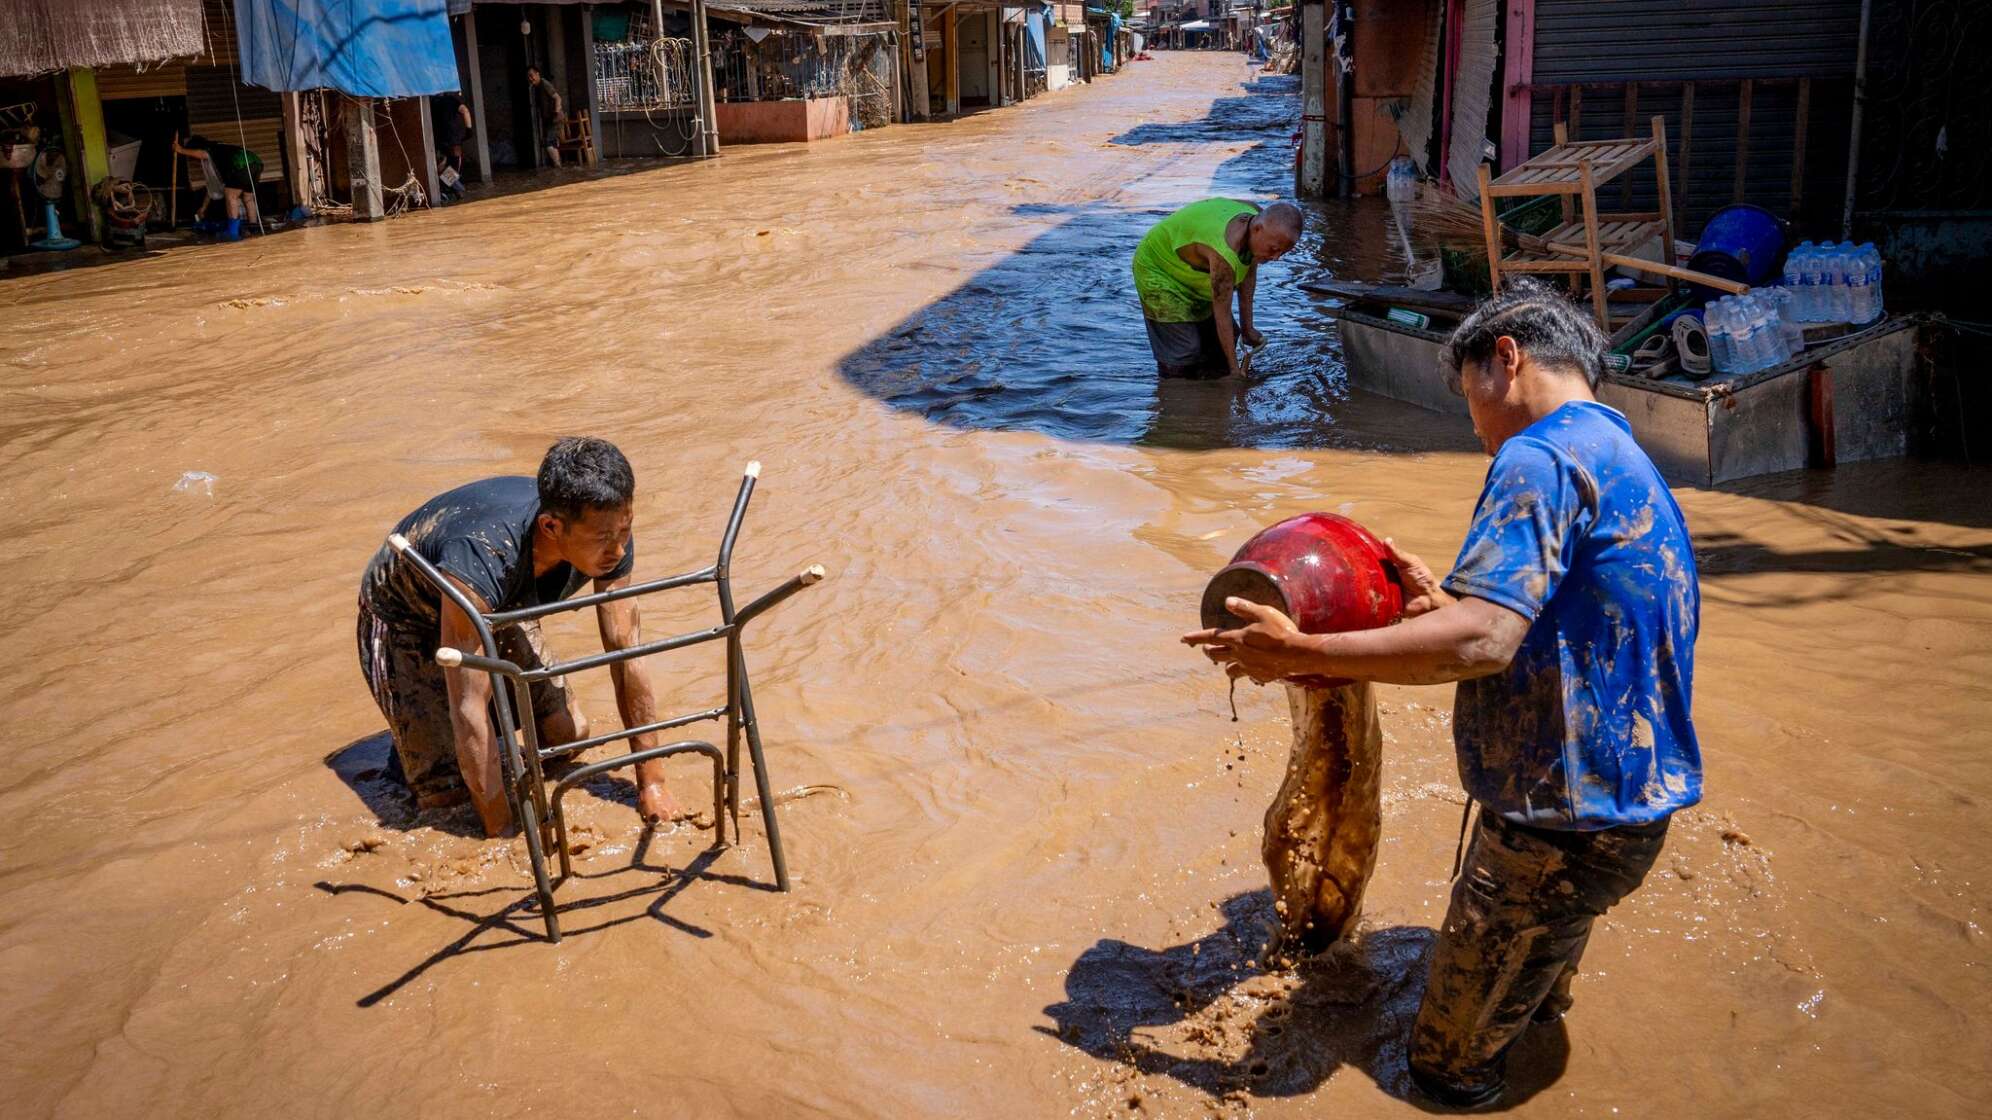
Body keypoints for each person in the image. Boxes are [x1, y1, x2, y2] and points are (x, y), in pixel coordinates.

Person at [1183, 281, 1702, 1109]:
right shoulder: (1619, 454)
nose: (1472, 424)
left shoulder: (1536, 456)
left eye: (1468, 397)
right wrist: (1445, 605)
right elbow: (1547, 620)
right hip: (1625, 806)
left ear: (1508, 358)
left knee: (1442, 1072)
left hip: (1556, 830)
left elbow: (1481, 643)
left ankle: (1470, 1074)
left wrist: (1302, 650)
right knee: (1529, 1001)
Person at [357, 438, 685, 838]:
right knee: (446, 799)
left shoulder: (609, 530)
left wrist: (652, 782)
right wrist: (505, 831)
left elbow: (626, 650)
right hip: (406, 616)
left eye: (626, 529)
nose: (618, 549)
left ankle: (448, 747)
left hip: (501, 601)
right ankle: (419, 755)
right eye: (603, 538)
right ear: (551, 526)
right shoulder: (483, 554)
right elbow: (469, 702)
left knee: (567, 736)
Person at [1132, 198, 1301, 379]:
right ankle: (1173, 392)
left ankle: (1212, 388)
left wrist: (1247, 328)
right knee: (1184, 351)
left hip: (1194, 270)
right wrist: (1235, 371)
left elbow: (1248, 274)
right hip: (1157, 268)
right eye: (1273, 249)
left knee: (1222, 344)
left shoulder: (1256, 218)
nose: (1276, 258)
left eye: (1282, 252)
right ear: (1257, 229)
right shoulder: (1225, 253)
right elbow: (1222, 314)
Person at [173, 133, 262, 240]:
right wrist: (203, 208)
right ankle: (253, 228)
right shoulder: (220, 148)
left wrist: (181, 150)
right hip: (255, 162)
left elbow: (202, 154)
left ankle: (232, 232)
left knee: (231, 196)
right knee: (248, 198)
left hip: (240, 164)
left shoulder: (210, 150)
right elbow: (212, 188)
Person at [431, 90, 473, 200]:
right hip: (453, 140)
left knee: (442, 167)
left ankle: (452, 190)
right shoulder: (451, 100)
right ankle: (457, 190)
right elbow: (465, 111)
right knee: (454, 167)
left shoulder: (431, 102)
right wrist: (469, 130)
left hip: (438, 140)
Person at [526, 65, 563, 168]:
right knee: (552, 142)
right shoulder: (536, 87)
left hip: (554, 118)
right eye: (528, 77)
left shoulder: (545, 84)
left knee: (547, 142)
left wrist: (555, 112)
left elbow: (558, 98)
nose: (530, 78)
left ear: (537, 74)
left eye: (531, 75)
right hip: (548, 119)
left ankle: (558, 166)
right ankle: (558, 165)